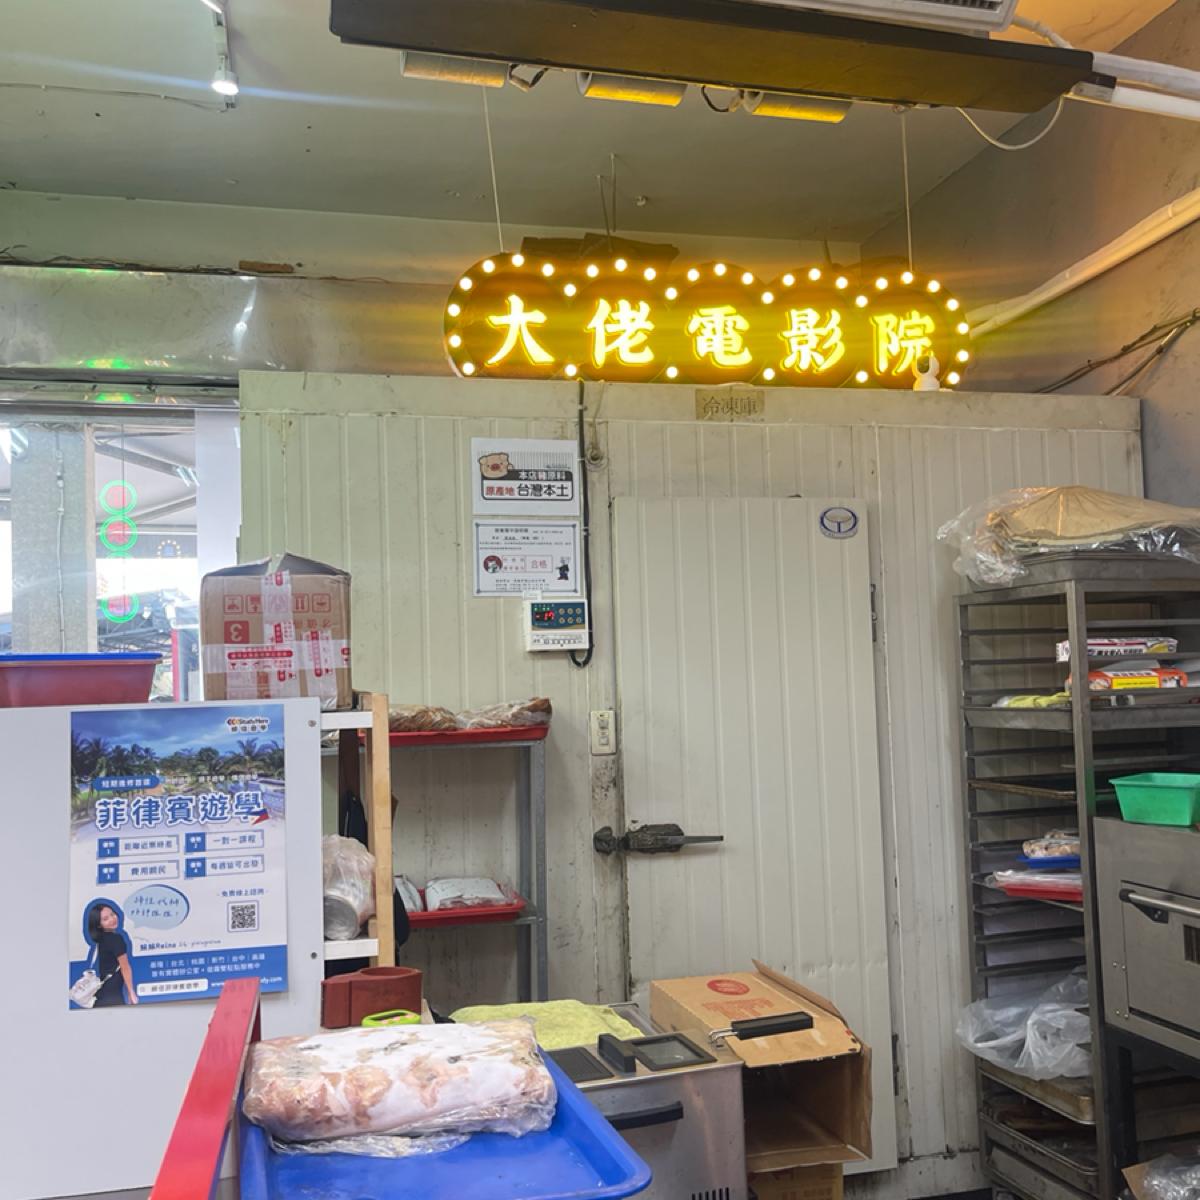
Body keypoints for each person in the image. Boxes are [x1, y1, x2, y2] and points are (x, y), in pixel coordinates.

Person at [86, 903, 138, 1007]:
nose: (112, 919)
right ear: (99, 924)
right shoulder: (116, 939)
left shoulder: (101, 940)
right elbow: (125, 967)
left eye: (112, 914)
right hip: (113, 993)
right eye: (105, 919)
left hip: (102, 990)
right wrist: (131, 992)